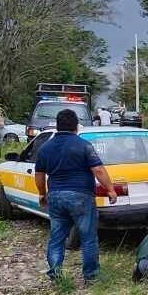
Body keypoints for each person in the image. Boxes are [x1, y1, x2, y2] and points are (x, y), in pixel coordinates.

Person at [35, 109, 118, 284]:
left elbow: (40, 176)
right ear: (76, 127)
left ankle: (56, 274)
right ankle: (91, 276)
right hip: (81, 196)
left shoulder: (45, 148)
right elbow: (98, 170)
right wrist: (110, 189)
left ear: (57, 126)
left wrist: (42, 194)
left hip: (56, 196)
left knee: (57, 238)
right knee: (88, 237)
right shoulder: (83, 145)